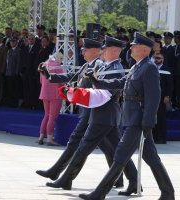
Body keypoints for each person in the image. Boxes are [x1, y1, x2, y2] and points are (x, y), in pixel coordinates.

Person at [79, 32, 174, 200]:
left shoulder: (149, 68)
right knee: (151, 157)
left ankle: (99, 193)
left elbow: (153, 97)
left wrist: (148, 121)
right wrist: (96, 81)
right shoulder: (137, 66)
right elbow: (119, 83)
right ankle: (168, 192)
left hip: (138, 121)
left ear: (144, 50)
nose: (131, 48)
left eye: (134, 46)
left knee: (120, 156)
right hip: (132, 118)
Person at [45, 36, 138, 194]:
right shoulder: (106, 66)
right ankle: (134, 181)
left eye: (105, 49)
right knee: (119, 151)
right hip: (102, 114)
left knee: (83, 147)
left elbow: (106, 93)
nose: (103, 51)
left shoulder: (116, 68)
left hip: (105, 114)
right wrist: (73, 93)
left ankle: (66, 178)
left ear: (115, 51)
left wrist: (77, 94)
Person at [37, 52, 63, 146]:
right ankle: (49, 139)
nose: (61, 61)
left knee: (46, 115)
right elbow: (62, 81)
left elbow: (41, 81)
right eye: (61, 59)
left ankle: (40, 138)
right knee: (52, 117)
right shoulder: (58, 67)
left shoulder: (44, 65)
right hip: (55, 94)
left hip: (44, 93)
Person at [152, 53, 173, 144]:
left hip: (162, 97)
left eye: (159, 58)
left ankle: (161, 138)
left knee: (161, 118)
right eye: (155, 58)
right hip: (152, 97)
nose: (157, 59)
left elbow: (170, 85)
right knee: (153, 118)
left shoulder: (167, 70)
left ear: (163, 59)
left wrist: (167, 96)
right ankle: (154, 137)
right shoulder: (151, 69)